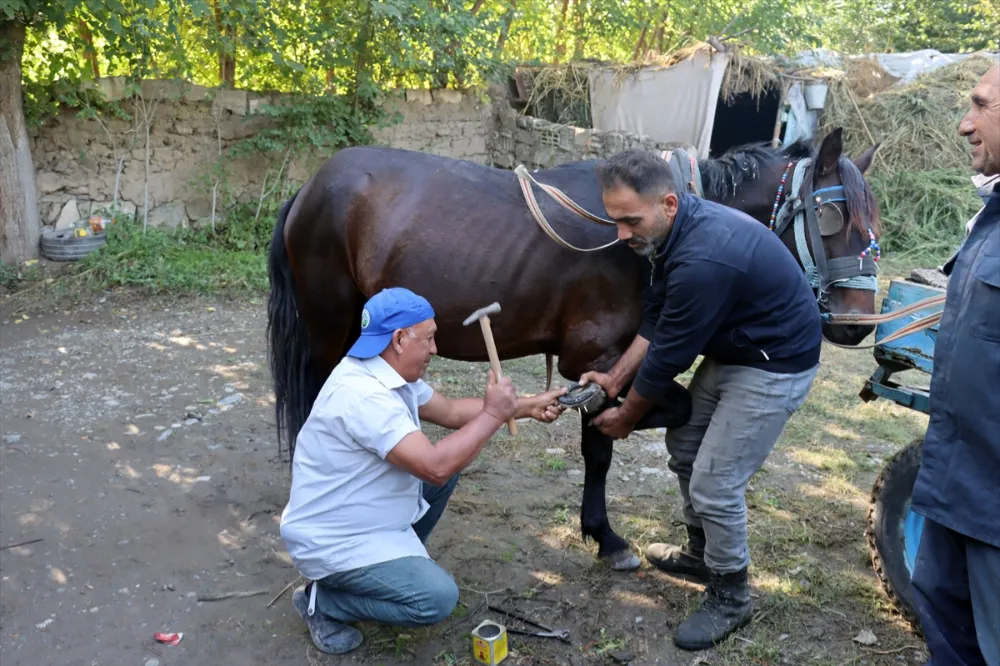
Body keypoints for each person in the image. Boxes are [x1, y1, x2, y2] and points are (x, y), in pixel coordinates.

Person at [577, 149, 824, 650]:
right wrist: (612, 378)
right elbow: (658, 319)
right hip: (740, 349)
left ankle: (732, 594)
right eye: (615, 220)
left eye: (630, 221)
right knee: (686, 439)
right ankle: (702, 552)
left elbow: (668, 355)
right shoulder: (669, 235)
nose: (621, 234)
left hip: (774, 363)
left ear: (669, 203)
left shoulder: (705, 256)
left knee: (715, 480)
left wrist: (625, 413)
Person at [279, 287, 567, 654]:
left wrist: (524, 406)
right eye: (429, 338)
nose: (435, 349)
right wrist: (495, 414)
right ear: (399, 339)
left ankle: (392, 572)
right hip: (334, 538)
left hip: (363, 514)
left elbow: (447, 412)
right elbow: (434, 466)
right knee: (436, 599)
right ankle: (324, 602)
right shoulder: (364, 395)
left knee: (449, 472)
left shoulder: (385, 371)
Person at [909, 63, 1000, 666]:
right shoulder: (989, 217)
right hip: (957, 482)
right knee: (945, 626)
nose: (964, 124)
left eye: (981, 105)